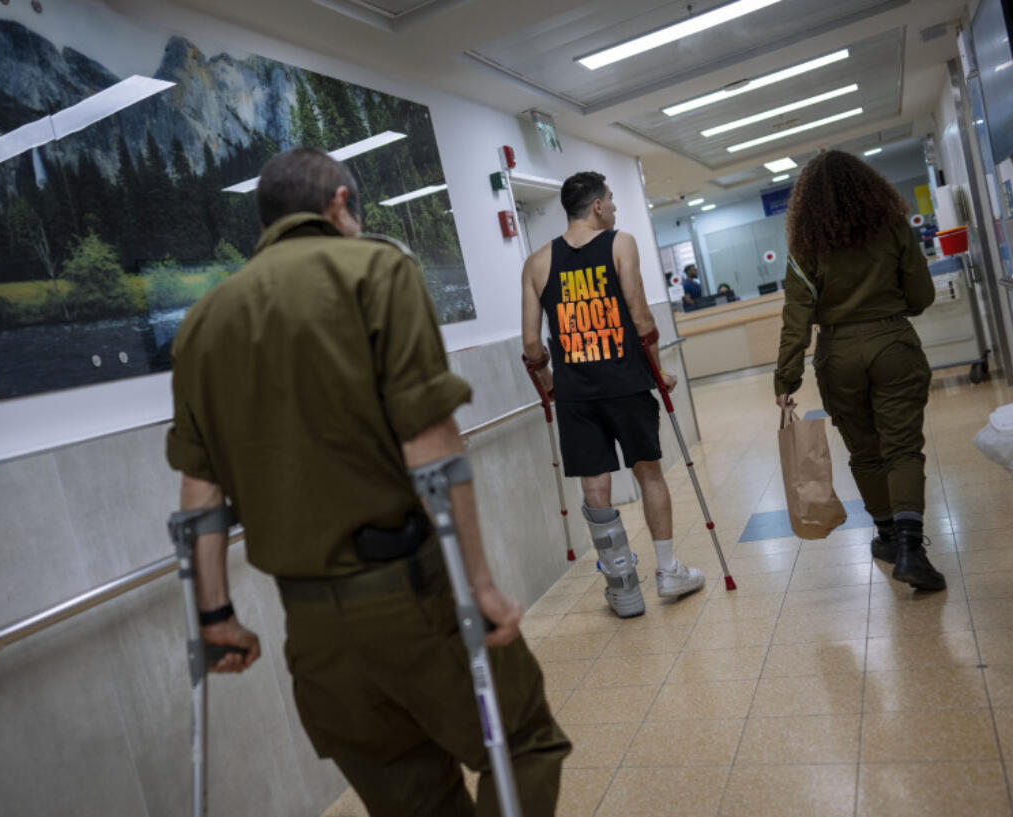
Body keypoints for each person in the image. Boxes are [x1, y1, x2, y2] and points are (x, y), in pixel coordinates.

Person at [166, 147, 570, 816]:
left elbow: (199, 493)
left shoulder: (203, 323)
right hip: (414, 598)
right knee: (524, 740)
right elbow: (431, 446)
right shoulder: (376, 269)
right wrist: (480, 585)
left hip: (313, 632)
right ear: (340, 204)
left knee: (411, 795)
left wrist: (214, 617)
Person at [521, 171, 704, 619]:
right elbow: (641, 318)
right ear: (597, 206)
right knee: (650, 474)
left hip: (576, 395)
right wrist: (659, 373)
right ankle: (666, 573)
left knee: (595, 485)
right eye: (612, 200)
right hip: (626, 383)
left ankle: (623, 588)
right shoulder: (620, 244)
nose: (616, 207)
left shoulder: (537, 262)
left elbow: (530, 344)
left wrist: (549, 384)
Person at [774, 149, 944, 591]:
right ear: (869, 187)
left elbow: (797, 314)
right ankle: (911, 549)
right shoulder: (892, 227)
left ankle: (887, 537)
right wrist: (887, 309)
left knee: (866, 451)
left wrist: (786, 378)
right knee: (903, 448)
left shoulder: (806, 246)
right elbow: (922, 295)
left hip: (839, 354)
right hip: (893, 344)